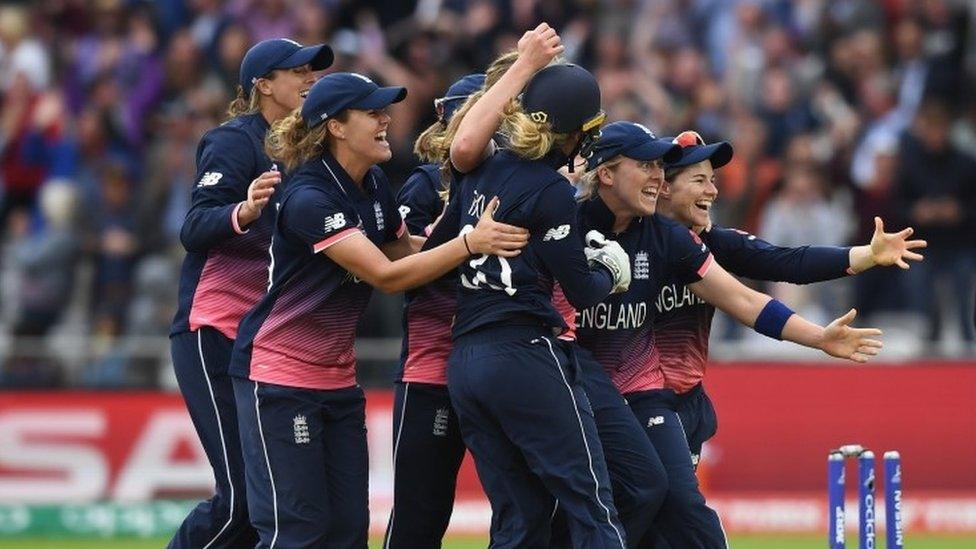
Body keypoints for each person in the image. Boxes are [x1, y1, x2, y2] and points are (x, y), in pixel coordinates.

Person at [229, 71, 528, 548]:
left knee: (349, 533)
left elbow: (404, 252)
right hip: (279, 379)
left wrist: (470, 237)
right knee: (298, 532)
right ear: (336, 127)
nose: (386, 120)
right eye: (372, 112)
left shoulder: (372, 185)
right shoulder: (309, 196)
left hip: (337, 382)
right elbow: (387, 277)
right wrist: (472, 243)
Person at [573, 123, 886, 549]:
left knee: (669, 514)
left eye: (713, 180)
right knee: (657, 509)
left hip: (676, 404)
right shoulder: (579, 227)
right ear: (664, 186)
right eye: (699, 180)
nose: (713, 191)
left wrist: (859, 264)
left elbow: (766, 281)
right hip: (605, 400)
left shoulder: (693, 244)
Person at [439, 63, 632, 548]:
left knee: (518, 516)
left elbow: (433, 256)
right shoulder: (552, 190)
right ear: (577, 135)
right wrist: (609, 269)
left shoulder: (479, 170)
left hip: (464, 361)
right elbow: (583, 291)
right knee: (590, 503)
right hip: (524, 351)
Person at [168, 37, 333, 549]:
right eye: (297, 71)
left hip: (267, 345)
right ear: (262, 84)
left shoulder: (313, 146)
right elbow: (193, 226)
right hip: (213, 330)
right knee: (241, 501)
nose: (311, 78)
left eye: (313, 70)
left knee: (270, 504)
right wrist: (243, 211)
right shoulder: (235, 141)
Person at [384, 72, 485, 548]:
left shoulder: (520, 179)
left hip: (500, 367)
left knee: (526, 509)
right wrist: (472, 242)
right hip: (433, 370)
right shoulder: (424, 184)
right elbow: (408, 263)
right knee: (419, 518)